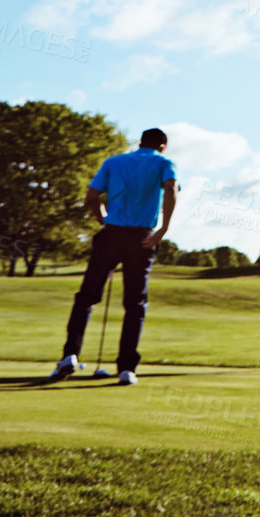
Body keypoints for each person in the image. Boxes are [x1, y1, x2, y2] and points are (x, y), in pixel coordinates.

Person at [48, 127, 178, 387]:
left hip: (111, 234)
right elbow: (171, 189)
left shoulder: (113, 161)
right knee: (135, 304)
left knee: (86, 296)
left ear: (140, 142)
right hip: (142, 237)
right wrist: (163, 229)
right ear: (162, 145)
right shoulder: (164, 162)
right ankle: (127, 369)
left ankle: (69, 356)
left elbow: (91, 197)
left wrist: (103, 219)